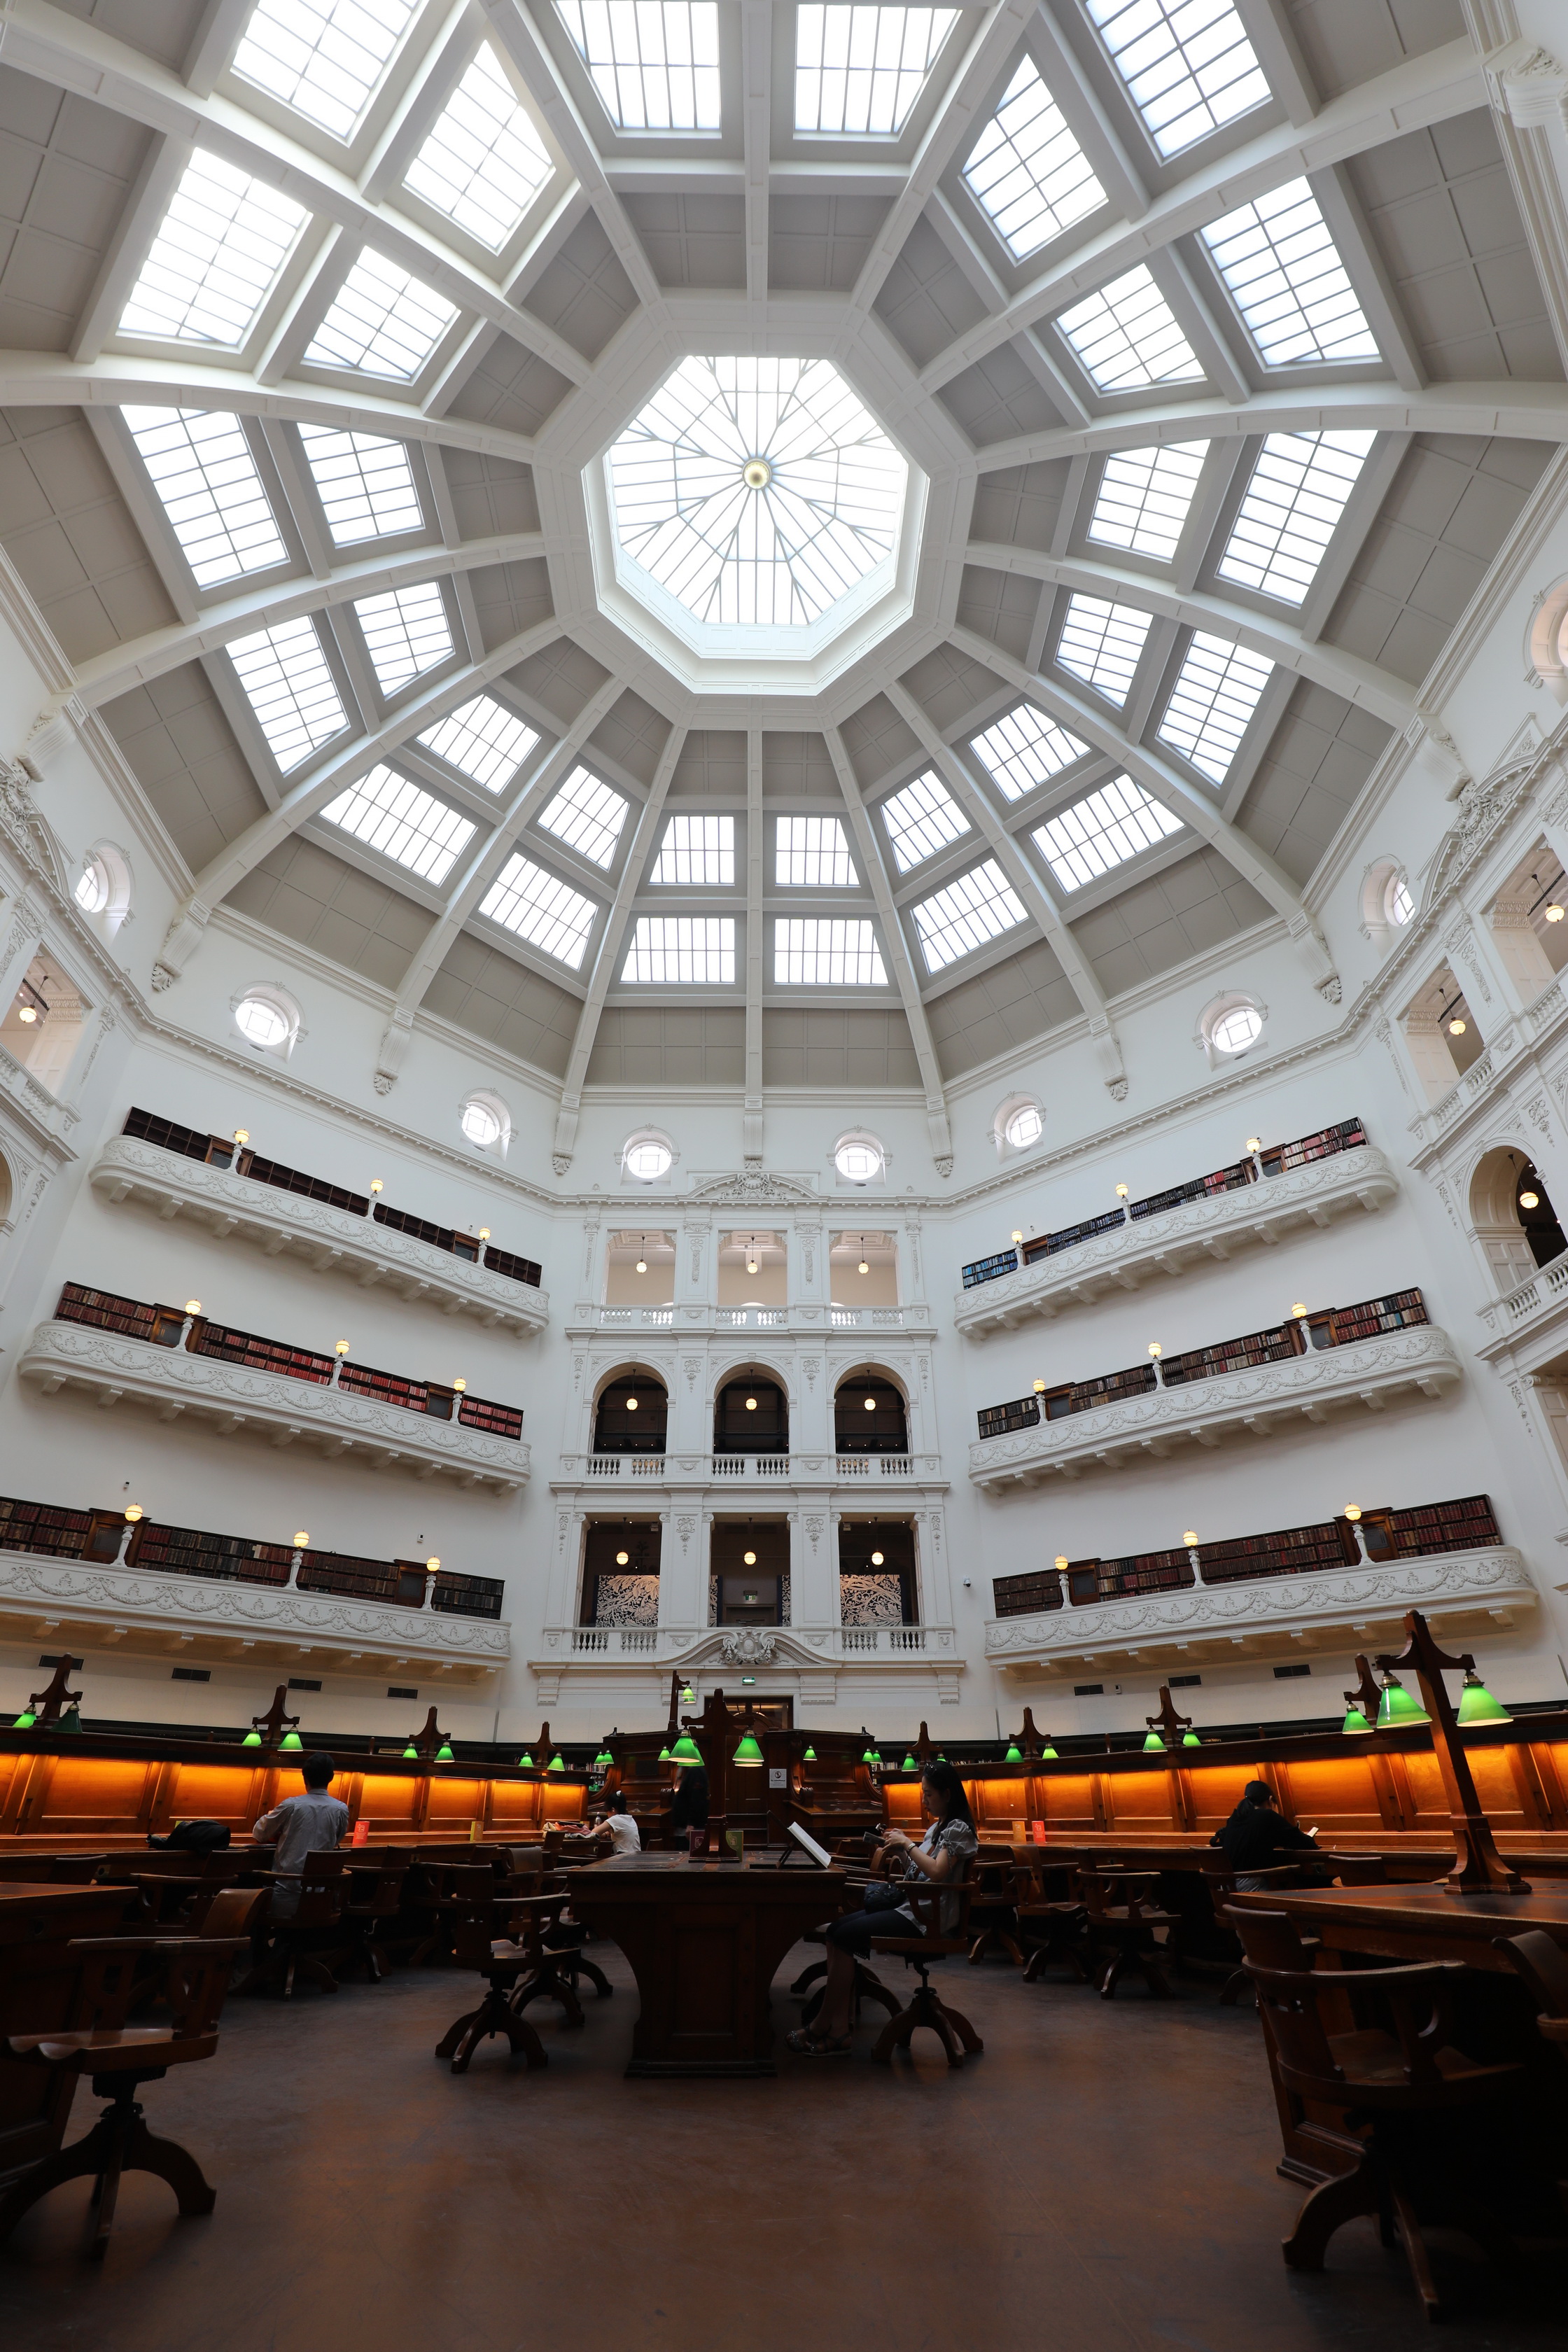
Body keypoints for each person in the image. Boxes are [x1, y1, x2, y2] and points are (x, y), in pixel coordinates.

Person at [788, 1760, 978, 2057]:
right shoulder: (936, 1828)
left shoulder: (959, 1829)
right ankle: (838, 2028)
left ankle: (825, 2025)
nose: (924, 1800)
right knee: (836, 1931)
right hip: (912, 1908)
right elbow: (920, 1873)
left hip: (928, 1919)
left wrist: (908, 1844)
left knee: (844, 1936)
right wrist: (902, 1851)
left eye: (929, 1794)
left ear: (948, 1794)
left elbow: (938, 1872)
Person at [252, 1751, 349, 1917]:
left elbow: (260, 1834)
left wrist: (273, 1817)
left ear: (305, 1777)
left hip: (285, 1896)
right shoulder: (341, 1809)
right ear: (331, 1778)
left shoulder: (291, 1806)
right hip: (321, 1899)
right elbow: (337, 1839)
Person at [1211, 1779, 1320, 1889]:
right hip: (1251, 1888)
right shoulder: (1267, 1815)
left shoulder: (1234, 1818)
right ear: (1271, 1800)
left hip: (1227, 1887)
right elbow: (1307, 1844)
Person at [668, 1763, 708, 1847]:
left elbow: (697, 1799)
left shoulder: (696, 1771)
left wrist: (691, 1823)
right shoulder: (686, 1770)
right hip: (684, 1828)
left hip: (690, 1829)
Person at [595, 1790, 641, 1856]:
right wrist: (605, 1834)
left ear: (613, 1810)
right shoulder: (630, 1819)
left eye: (607, 1813)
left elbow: (593, 1833)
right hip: (636, 1857)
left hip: (625, 1858)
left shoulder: (615, 1819)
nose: (608, 1816)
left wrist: (597, 1828)